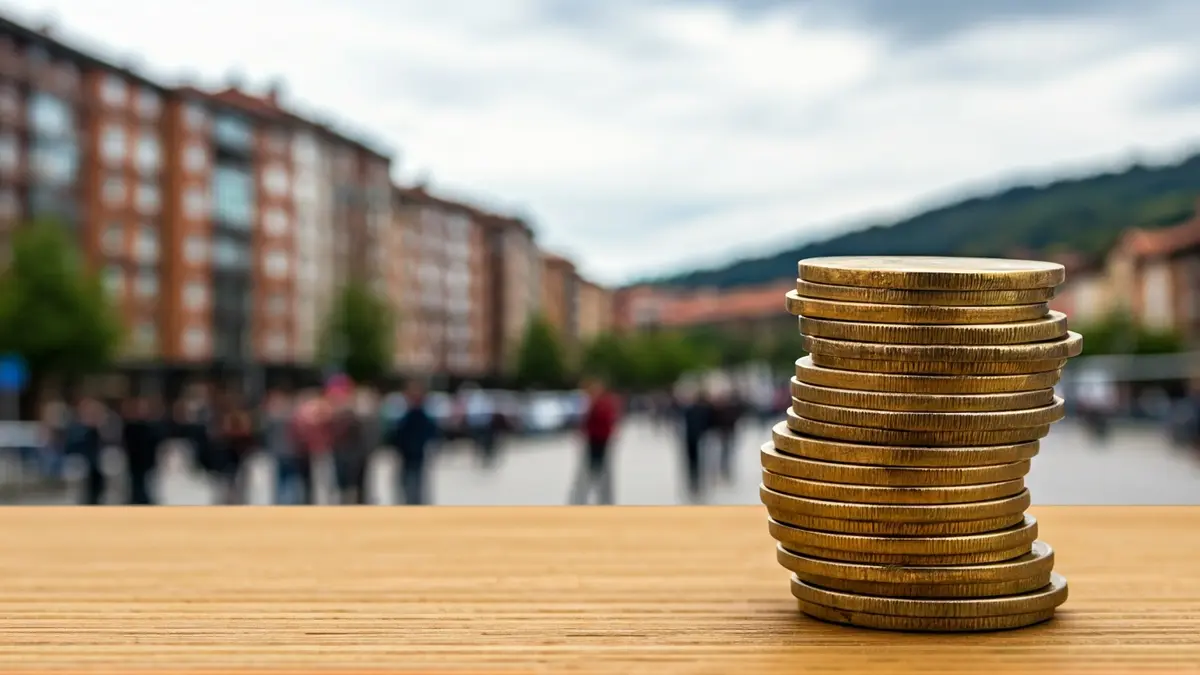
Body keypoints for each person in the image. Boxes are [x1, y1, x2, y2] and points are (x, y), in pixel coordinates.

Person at [568, 379, 620, 505]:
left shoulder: (602, 403)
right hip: (593, 440)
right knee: (591, 472)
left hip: (601, 441)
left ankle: (603, 500)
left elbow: (608, 420)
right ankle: (584, 499)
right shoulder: (592, 403)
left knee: (601, 472)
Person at [388, 382, 438, 505]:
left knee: (414, 487)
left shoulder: (417, 416)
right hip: (408, 456)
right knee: (409, 487)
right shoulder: (407, 415)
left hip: (415, 456)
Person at [212, 392, 256, 504]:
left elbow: (247, 435)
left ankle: (237, 501)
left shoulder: (241, 418)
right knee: (226, 484)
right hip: (227, 459)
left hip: (239, 457)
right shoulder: (225, 418)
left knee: (238, 483)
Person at [120, 396, 163, 505]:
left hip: (147, 460)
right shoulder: (130, 426)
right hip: (135, 460)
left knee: (148, 484)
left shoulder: (150, 426)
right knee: (136, 483)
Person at [64, 396, 107, 505]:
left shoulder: (97, 429)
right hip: (79, 467)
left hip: (94, 467)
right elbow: (70, 447)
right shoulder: (76, 428)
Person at [262, 390, 300, 505]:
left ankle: (284, 502)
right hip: (288, 453)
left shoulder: (272, 419)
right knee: (288, 481)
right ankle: (288, 502)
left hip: (282, 453)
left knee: (284, 481)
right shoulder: (290, 418)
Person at [680, 388, 714, 504]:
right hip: (697, 438)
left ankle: (694, 482)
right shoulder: (703, 409)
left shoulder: (692, 409)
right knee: (696, 462)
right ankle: (696, 482)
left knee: (693, 462)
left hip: (691, 438)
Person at [711, 390, 743, 484]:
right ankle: (721, 471)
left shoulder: (729, 408)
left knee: (727, 453)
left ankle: (726, 471)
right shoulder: (717, 409)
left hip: (728, 433)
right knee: (720, 453)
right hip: (721, 434)